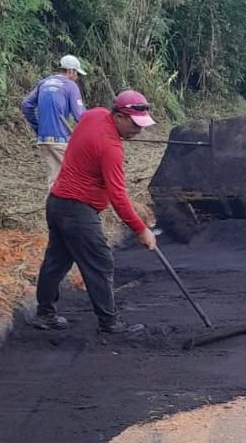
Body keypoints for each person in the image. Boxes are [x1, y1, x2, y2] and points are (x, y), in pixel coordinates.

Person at [32, 90, 158, 335]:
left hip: (57, 203)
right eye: (134, 124)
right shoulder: (111, 148)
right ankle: (110, 322)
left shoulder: (94, 115)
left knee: (56, 261)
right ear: (119, 116)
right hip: (77, 211)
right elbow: (118, 197)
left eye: (142, 125)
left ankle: (44, 314)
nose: (139, 130)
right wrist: (141, 229)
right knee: (100, 262)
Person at [21, 54, 87, 188]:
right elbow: (80, 116)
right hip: (60, 139)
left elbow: (26, 104)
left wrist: (38, 127)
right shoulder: (70, 85)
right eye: (77, 74)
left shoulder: (44, 83)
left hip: (44, 138)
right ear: (70, 71)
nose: (77, 78)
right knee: (67, 179)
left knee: (56, 176)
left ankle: (54, 200)